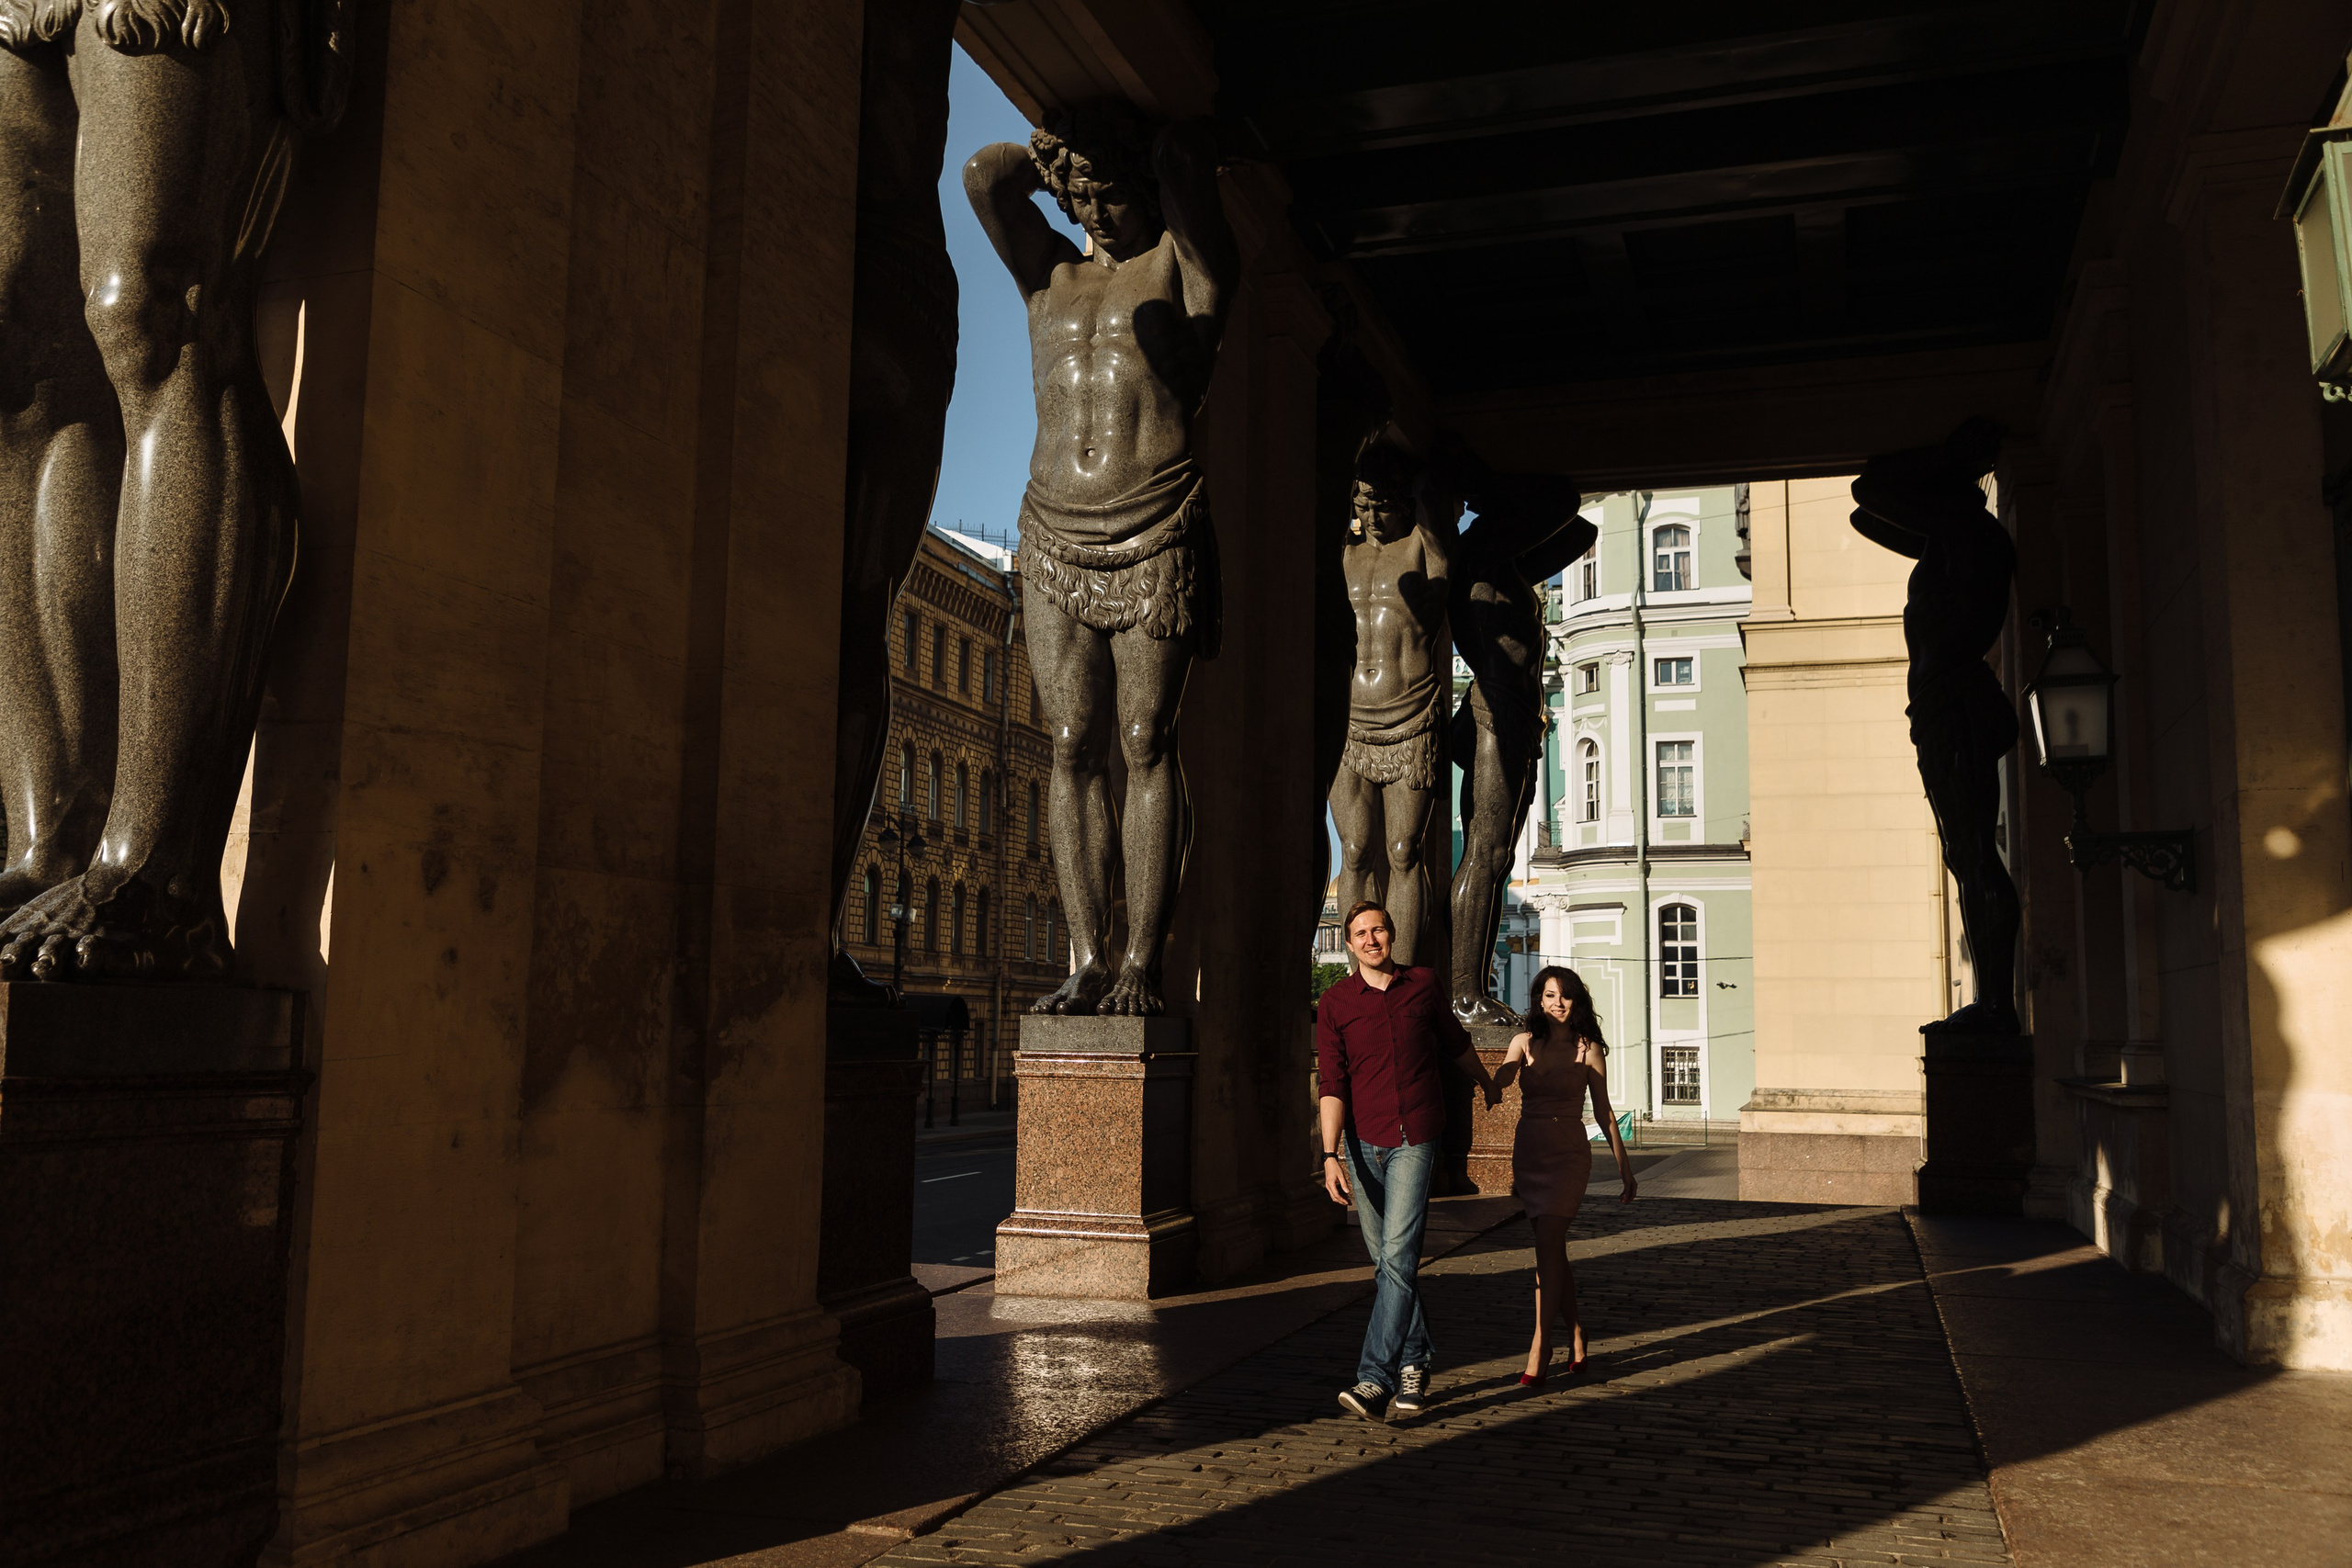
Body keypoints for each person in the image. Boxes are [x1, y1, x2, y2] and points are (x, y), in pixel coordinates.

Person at [964, 102, 1238, 1016]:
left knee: (1143, 741)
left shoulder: (1182, 267)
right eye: (1080, 198)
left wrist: (1161, 165)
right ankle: (1086, 955)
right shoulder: (1051, 275)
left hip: (1154, 518)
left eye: (1110, 197)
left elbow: (1196, 195)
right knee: (1072, 744)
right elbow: (983, 179)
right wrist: (1060, 160)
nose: (1093, 216)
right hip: (1051, 528)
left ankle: (1142, 964)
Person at [1315, 899, 1499, 1421]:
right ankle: (1416, 1362)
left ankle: (1375, 1378)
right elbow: (1332, 1084)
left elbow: (1456, 1043)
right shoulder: (1335, 1003)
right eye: (1360, 934)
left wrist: (1484, 1080)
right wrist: (1329, 1155)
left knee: (1398, 1257)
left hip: (1415, 1136)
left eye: (1378, 930)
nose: (1371, 940)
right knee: (1386, 1263)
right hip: (1361, 1142)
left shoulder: (1423, 984)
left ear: (1391, 935)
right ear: (1349, 945)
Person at [1493, 965, 1635, 1384]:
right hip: (1531, 1151)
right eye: (1550, 995)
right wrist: (1494, 1081)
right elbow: (1504, 1072)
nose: (1558, 1003)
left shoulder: (1588, 1048)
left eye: (1566, 996)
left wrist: (1625, 1168)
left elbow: (1604, 1110)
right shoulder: (1523, 1042)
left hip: (1569, 1155)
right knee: (1550, 1250)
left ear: (1577, 1002)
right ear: (1539, 999)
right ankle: (1576, 1331)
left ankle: (1540, 1342)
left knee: (1547, 1246)